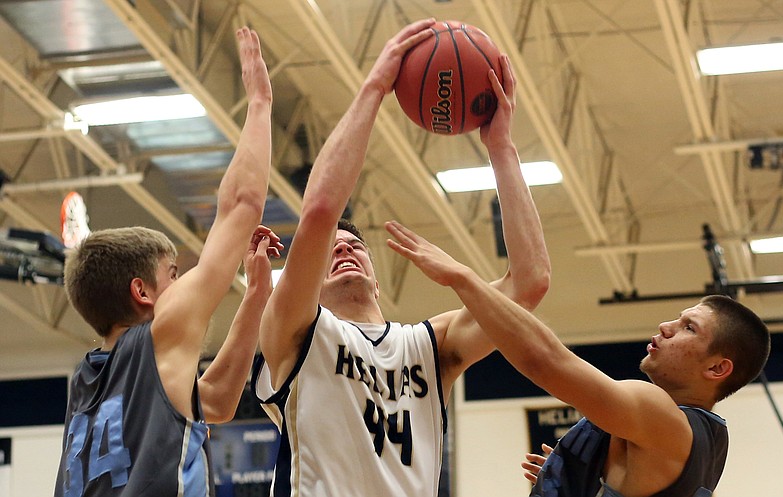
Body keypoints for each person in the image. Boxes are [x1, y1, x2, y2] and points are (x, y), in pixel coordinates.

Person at [250, 18, 551, 497]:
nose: (345, 249)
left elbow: (528, 284)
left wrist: (501, 148)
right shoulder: (293, 331)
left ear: (377, 277)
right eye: (331, 251)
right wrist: (374, 87)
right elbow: (322, 211)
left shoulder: (429, 347)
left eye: (355, 246)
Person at [382, 220, 772, 497]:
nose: (667, 326)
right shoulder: (712, 440)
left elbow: (546, 361)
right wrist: (578, 478)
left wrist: (463, 279)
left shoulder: (660, 415)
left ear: (717, 368)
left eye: (689, 328)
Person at [54, 27, 280, 497]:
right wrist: (259, 104)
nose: (184, 285)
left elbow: (214, 403)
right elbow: (242, 204)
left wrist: (256, 297)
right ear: (143, 293)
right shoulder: (160, 336)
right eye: (174, 275)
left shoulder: (87, 379)